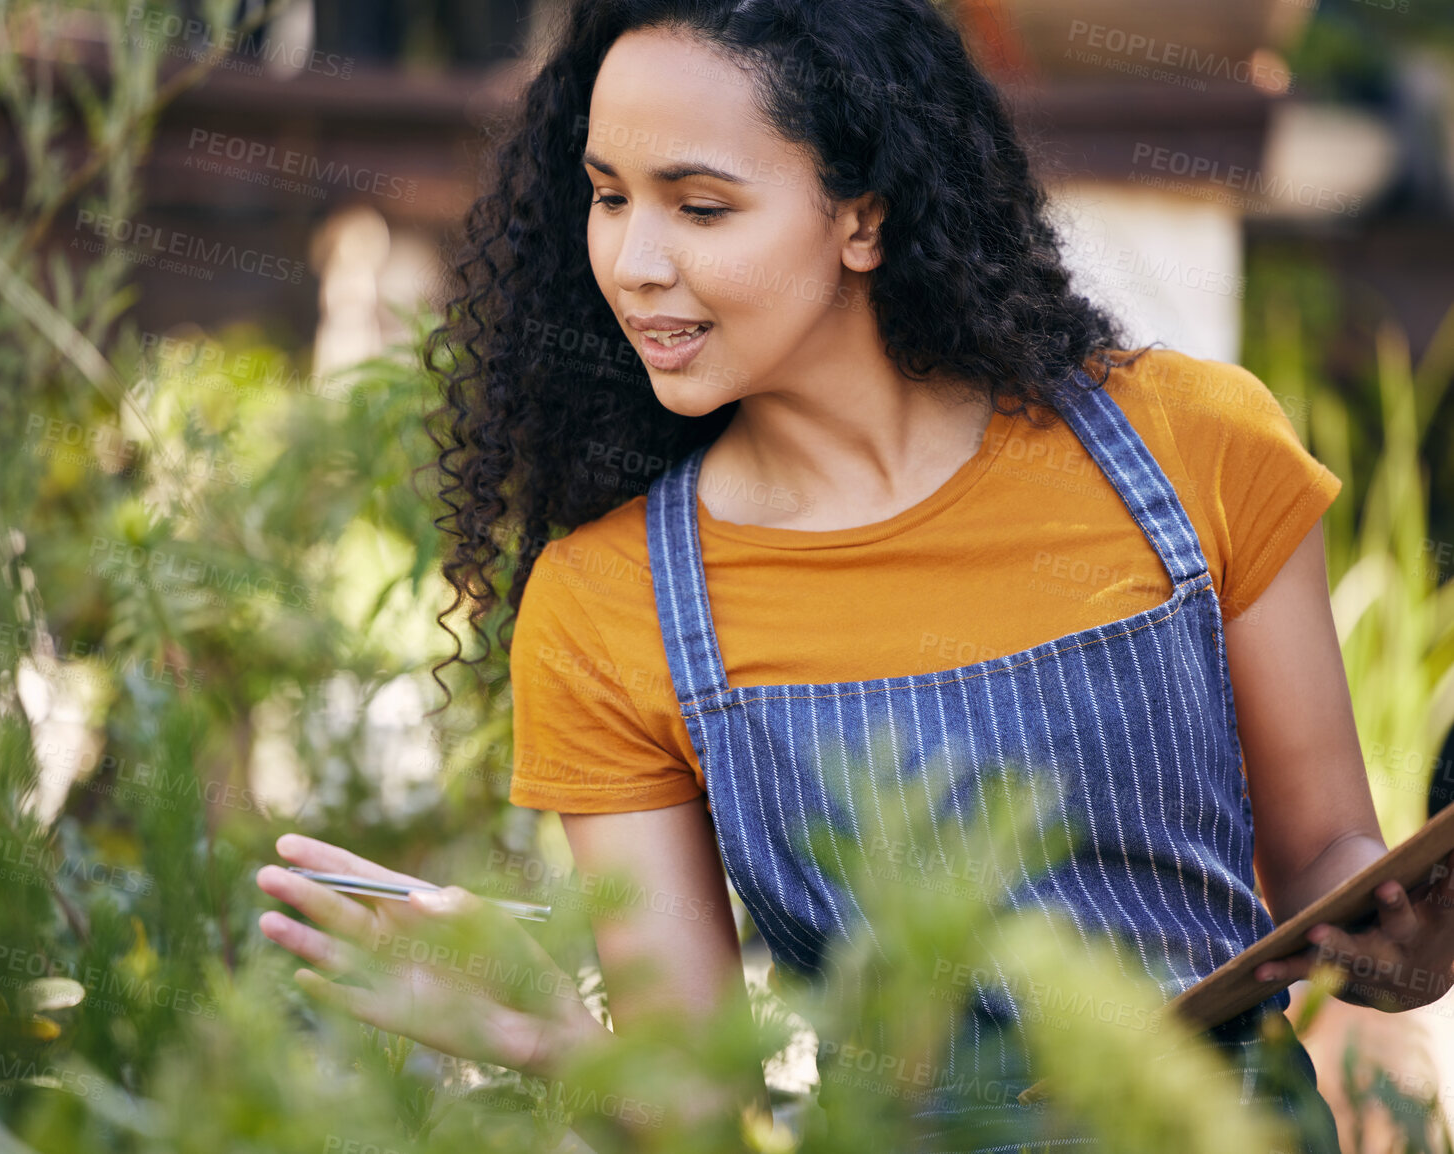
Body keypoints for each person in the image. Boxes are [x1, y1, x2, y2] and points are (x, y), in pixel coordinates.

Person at [255, 1, 1454, 1149]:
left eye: (702, 207)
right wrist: (552, 1030)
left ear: (863, 219)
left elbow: (1330, 863)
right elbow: (699, 1104)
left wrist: (1401, 940)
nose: (632, 260)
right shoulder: (608, 601)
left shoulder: (1195, 444)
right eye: (608, 197)